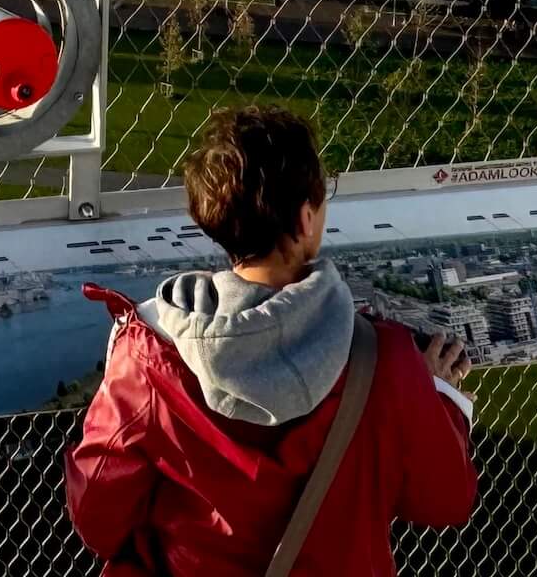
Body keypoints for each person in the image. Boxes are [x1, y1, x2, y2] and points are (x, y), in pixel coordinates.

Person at [66, 105, 476, 577]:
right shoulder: (384, 360)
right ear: (305, 219)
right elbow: (445, 500)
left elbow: (98, 515)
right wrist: (439, 395)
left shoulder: (148, 358)